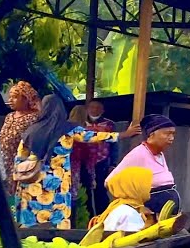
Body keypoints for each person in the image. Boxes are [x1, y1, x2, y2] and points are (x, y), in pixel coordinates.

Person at [15, 95, 137, 228]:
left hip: (33, 181)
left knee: (33, 219)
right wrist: (124, 134)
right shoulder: (68, 129)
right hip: (57, 183)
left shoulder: (31, 130)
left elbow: (20, 157)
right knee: (57, 220)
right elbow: (93, 136)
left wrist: (18, 178)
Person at [109, 114, 179, 215]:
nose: (171, 138)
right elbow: (110, 181)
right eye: (167, 134)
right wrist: (136, 206)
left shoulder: (160, 155)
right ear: (151, 135)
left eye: (173, 134)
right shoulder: (139, 153)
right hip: (149, 215)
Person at [72, 99, 118, 216]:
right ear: (87, 109)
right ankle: (88, 217)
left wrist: (113, 164)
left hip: (101, 162)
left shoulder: (109, 124)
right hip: (82, 163)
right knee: (84, 191)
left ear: (102, 110)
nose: (94, 110)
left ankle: (103, 217)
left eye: (98, 108)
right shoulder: (79, 123)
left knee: (101, 192)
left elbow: (114, 145)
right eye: (92, 107)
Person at [0, 81, 39, 193]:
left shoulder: (33, 118)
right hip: (3, 161)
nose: (10, 100)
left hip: (20, 163)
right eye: (10, 97)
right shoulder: (9, 116)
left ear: (26, 99)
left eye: (15, 97)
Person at [90, 166, 155, 232]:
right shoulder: (128, 213)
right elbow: (138, 237)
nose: (150, 188)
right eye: (145, 185)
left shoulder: (121, 207)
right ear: (134, 187)